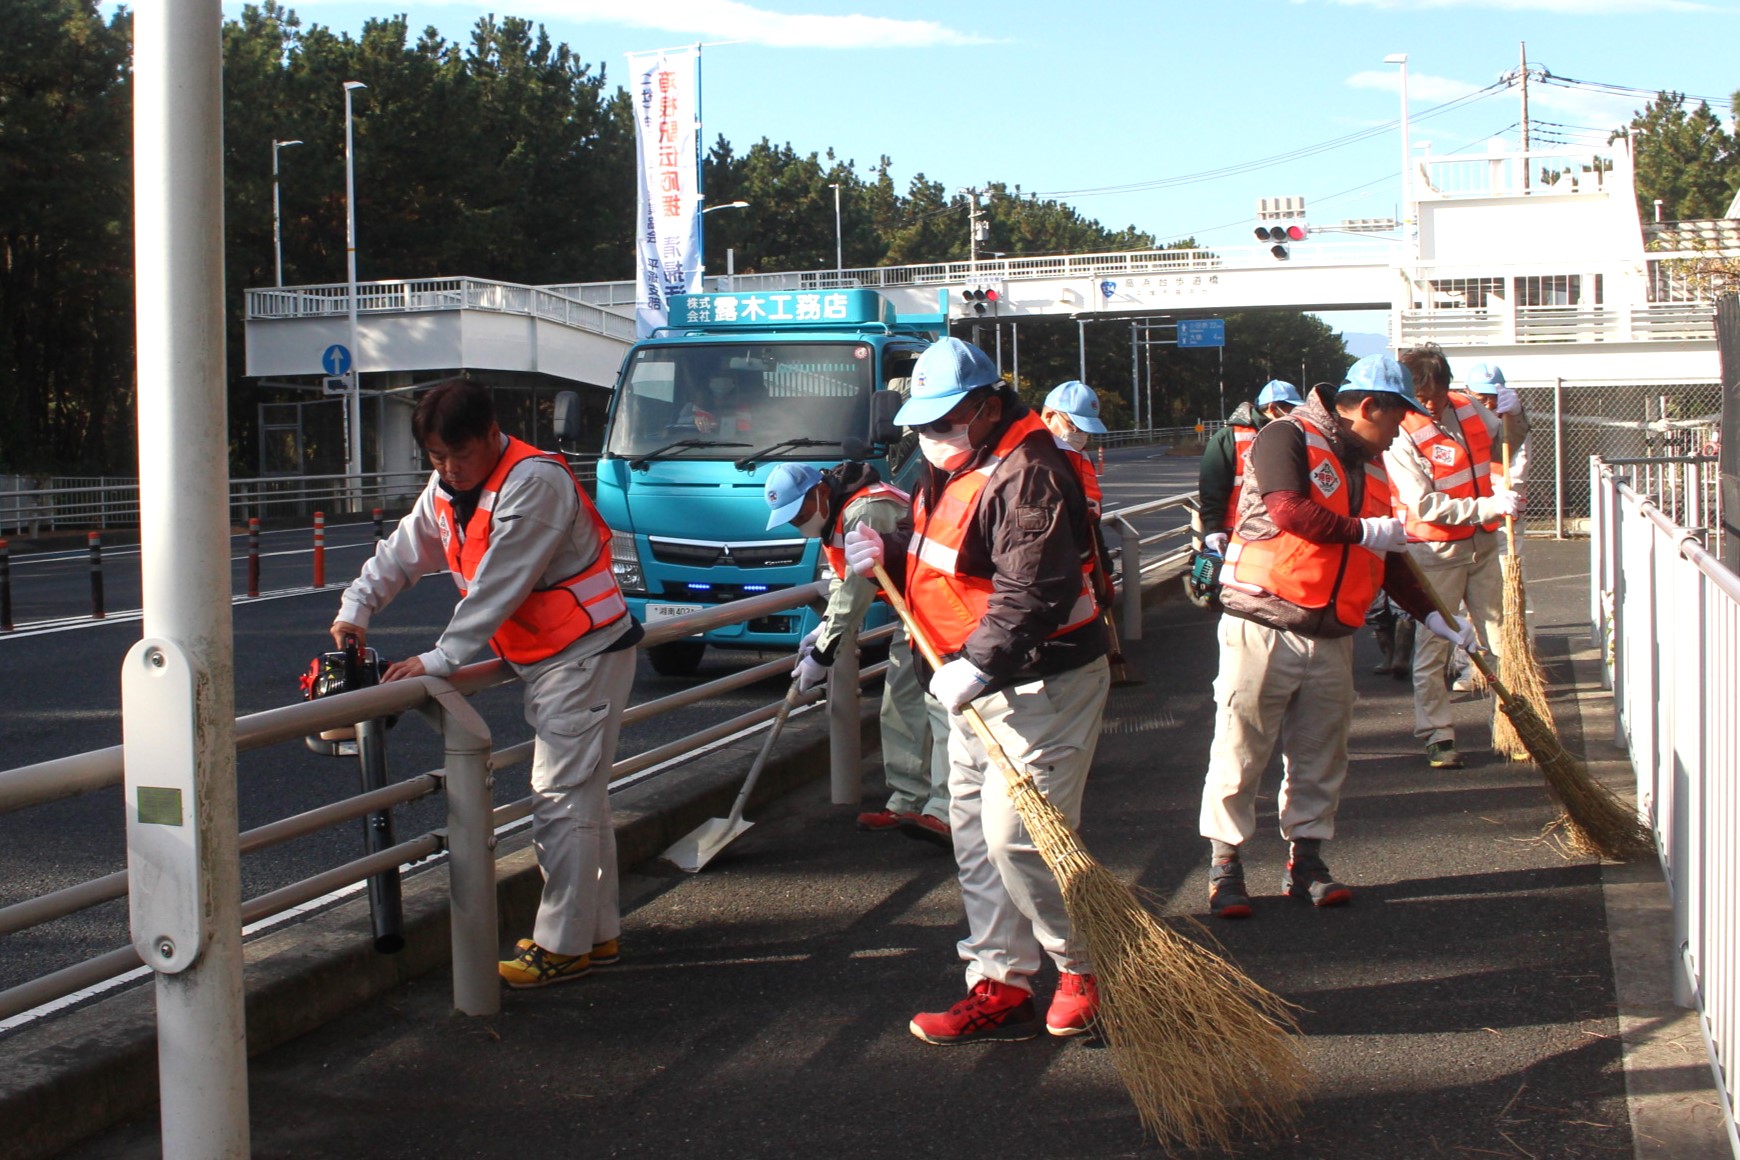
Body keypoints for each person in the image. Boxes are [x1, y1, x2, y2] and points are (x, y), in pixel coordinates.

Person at [841, 337, 1112, 1044]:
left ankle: (1083, 966)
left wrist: (980, 663)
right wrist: (888, 556)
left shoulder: (1030, 472)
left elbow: (1036, 588)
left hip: (1040, 681)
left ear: (987, 407)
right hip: (969, 678)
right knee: (972, 836)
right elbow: (957, 563)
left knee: (1018, 838)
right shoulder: (958, 462)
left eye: (944, 421)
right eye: (923, 424)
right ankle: (999, 980)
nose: (932, 436)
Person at [330, 380, 643, 989]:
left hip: (583, 654)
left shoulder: (535, 483)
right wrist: (355, 608)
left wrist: (440, 658)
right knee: (581, 801)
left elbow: (499, 583)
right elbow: (403, 551)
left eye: (460, 454)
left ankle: (562, 946)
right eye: (436, 457)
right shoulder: (448, 488)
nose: (449, 468)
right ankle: (595, 935)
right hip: (553, 656)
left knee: (560, 799)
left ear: (493, 434)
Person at [1200, 355, 1473, 919]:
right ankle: (1225, 864)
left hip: (1332, 633)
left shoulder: (1373, 466)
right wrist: (1364, 530)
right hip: (1264, 622)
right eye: (1397, 417)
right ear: (1368, 406)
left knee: (1321, 755)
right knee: (1240, 749)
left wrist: (1433, 616)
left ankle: (1307, 861)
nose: (1400, 431)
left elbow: (1386, 554)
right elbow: (1289, 511)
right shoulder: (1286, 435)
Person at [762, 459, 951, 846]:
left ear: (820, 492)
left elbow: (858, 588)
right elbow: (844, 579)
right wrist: (825, 626)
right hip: (912, 607)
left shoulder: (866, 509)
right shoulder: (836, 513)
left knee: (941, 708)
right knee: (900, 704)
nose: (798, 523)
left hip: (942, 606)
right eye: (790, 519)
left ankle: (947, 810)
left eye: (800, 513)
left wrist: (824, 653)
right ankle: (908, 800)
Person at [1387, 346, 1530, 769]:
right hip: (1435, 551)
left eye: (1436, 394)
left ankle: (1512, 728)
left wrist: (1516, 416)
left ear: (1448, 385)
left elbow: (1505, 446)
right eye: (1421, 397)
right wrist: (1488, 507)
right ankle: (1438, 735)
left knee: (1501, 639)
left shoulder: (1469, 408)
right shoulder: (1400, 431)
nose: (1431, 404)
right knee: (1434, 647)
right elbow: (1424, 504)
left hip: (1482, 546)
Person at [1198, 380, 1303, 557]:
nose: (1295, 414)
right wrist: (1213, 529)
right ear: (1273, 408)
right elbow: (1212, 488)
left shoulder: (1293, 436)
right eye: (1291, 408)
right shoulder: (1228, 438)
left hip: (1281, 535)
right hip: (1236, 534)